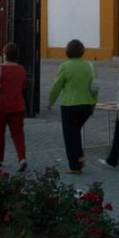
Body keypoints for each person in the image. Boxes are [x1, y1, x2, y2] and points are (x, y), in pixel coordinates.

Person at [48, 39, 97, 174]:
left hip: (69, 105)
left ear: (67, 51)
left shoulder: (65, 67)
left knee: (70, 135)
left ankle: (74, 166)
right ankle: (79, 157)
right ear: (82, 51)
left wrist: (50, 101)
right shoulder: (90, 66)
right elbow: (95, 86)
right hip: (86, 105)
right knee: (75, 131)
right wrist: (94, 102)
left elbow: (56, 86)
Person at [0, 42, 27, 173]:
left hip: (0, 106)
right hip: (17, 105)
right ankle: (22, 158)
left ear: (4, 55)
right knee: (18, 133)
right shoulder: (21, 69)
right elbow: (22, 86)